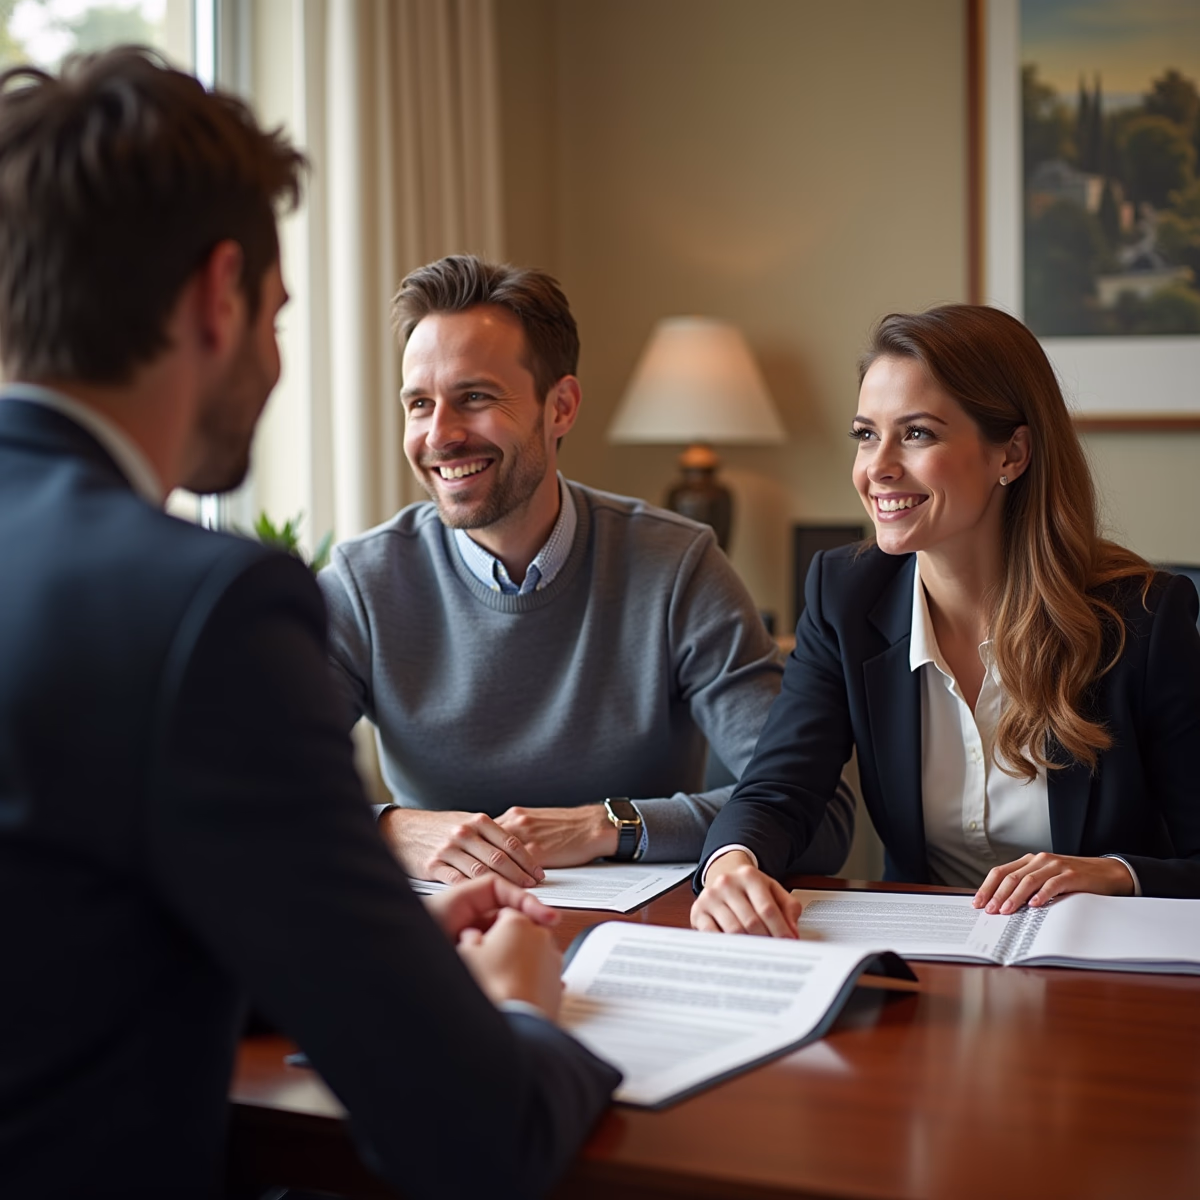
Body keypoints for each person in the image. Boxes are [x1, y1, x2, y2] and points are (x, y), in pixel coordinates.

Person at [0, 49, 619, 1200]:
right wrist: (525, 1005)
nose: (278, 359)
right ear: (219, 293)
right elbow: (477, 1133)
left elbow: (64, 943)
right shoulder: (205, 612)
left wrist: (370, 961)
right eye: (279, 314)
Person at [317, 254, 856, 886]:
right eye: (419, 404)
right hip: (444, 947)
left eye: (474, 397)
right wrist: (392, 827)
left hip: (638, 946)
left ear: (561, 407)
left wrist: (606, 826)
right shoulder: (363, 582)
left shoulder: (678, 568)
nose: (440, 435)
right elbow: (259, 780)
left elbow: (818, 817)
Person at [692, 304, 1200, 937]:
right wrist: (730, 865)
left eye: (917, 434)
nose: (877, 468)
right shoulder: (843, 596)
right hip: (927, 960)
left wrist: (1116, 873)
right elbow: (779, 791)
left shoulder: (1143, 620)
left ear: (1011, 454)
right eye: (865, 434)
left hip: (1096, 969)